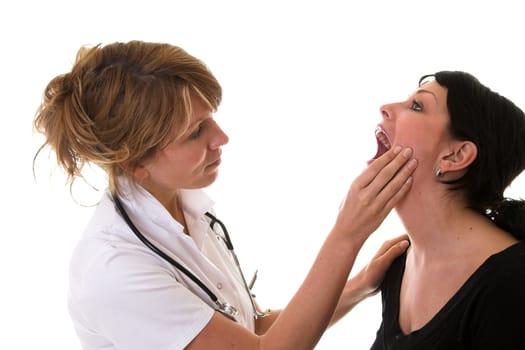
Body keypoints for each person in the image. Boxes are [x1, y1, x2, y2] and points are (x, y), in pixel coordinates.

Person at [32, 40, 417, 350]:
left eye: (211, 118)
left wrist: (362, 284)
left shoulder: (185, 210)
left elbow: (253, 330)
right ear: (134, 162)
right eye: (195, 132)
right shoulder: (115, 271)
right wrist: (347, 233)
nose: (221, 138)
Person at [369, 71, 525, 349]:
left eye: (416, 106)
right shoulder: (397, 265)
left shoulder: (512, 283)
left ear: (456, 156)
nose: (386, 108)